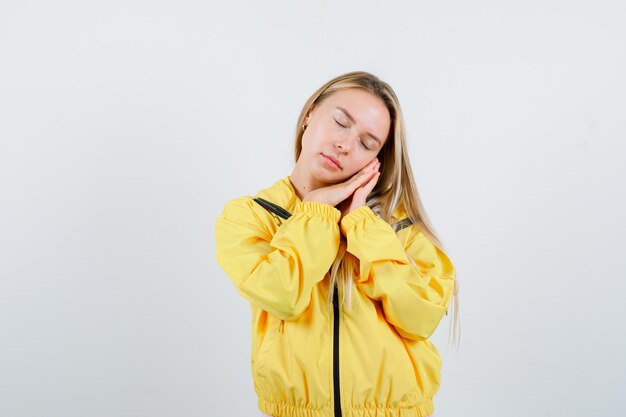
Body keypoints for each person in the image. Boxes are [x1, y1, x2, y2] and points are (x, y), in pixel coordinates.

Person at [215, 71, 460, 417]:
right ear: (310, 114)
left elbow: (420, 317)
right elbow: (280, 294)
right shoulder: (249, 216)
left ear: (376, 161)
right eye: (341, 122)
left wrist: (360, 224)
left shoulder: (400, 228)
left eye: (366, 143)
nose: (345, 145)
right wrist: (317, 211)